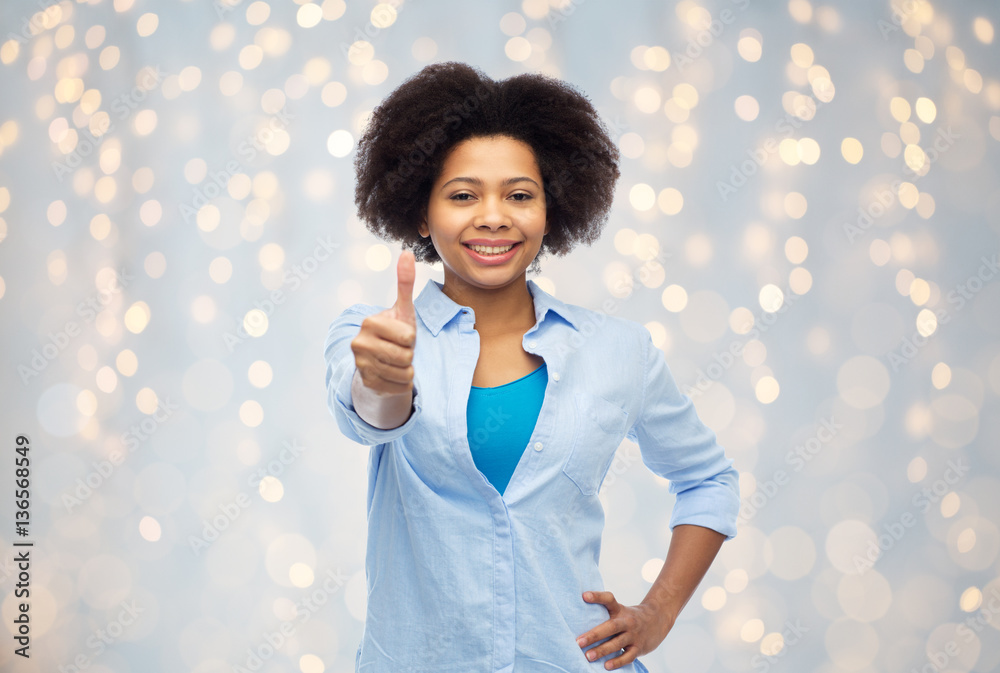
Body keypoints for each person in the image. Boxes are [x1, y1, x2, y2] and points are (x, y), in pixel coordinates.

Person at [324, 61, 739, 673]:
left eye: (520, 195)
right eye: (462, 195)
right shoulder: (373, 334)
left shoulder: (618, 351)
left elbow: (709, 481)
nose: (494, 217)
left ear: (553, 208)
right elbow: (373, 416)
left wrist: (658, 613)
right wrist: (385, 381)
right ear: (420, 212)